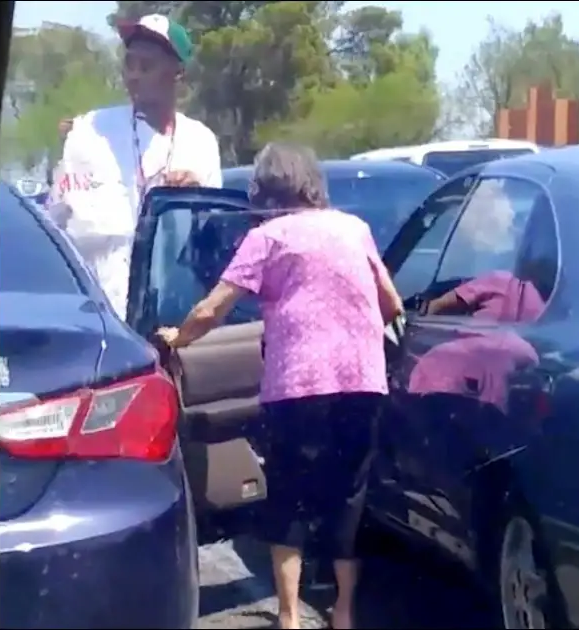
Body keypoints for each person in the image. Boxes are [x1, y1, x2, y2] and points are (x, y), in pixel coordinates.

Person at [156, 143, 403, 630]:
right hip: (362, 383)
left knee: (288, 498)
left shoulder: (268, 237)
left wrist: (176, 337)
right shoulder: (354, 229)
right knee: (348, 497)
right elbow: (391, 304)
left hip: (298, 388)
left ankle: (289, 616)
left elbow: (212, 310)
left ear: (264, 190)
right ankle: (345, 613)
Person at [54, 13, 221, 320]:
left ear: (178, 73)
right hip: (96, 317)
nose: (133, 75)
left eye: (147, 66)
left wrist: (194, 198)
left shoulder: (201, 143)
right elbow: (56, 226)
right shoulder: (89, 132)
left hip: (169, 321)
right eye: (129, 64)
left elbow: (212, 238)